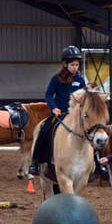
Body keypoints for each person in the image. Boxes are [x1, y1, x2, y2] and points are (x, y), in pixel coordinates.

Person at [28, 45, 86, 175]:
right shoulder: (56, 78)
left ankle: (95, 164)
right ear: (65, 64)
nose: (75, 68)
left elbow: (85, 97)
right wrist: (53, 108)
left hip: (75, 115)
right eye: (72, 65)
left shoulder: (80, 80)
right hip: (60, 113)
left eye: (77, 65)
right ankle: (35, 162)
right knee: (44, 130)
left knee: (89, 132)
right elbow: (48, 94)